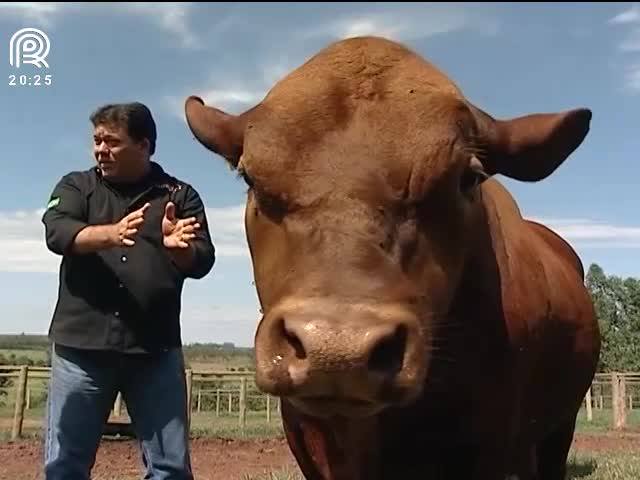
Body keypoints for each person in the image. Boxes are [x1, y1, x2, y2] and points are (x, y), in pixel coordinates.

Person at [41, 101, 216, 480]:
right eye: (97, 141)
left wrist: (182, 250)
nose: (100, 149)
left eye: (112, 141)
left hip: (155, 351)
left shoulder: (180, 195)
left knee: (169, 469)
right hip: (80, 352)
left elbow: (203, 259)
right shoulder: (76, 185)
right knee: (65, 465)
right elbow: (57, 231)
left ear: (145, 145)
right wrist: (111, 234)